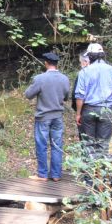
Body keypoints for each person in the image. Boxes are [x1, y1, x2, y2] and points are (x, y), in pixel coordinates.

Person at [25, 52, 71, 181]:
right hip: (58, 117)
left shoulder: (40, 78)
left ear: (46, 63)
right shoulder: (65, 78)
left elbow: (28, 94)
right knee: (57, 145)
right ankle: (56, 175)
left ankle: (42, 175)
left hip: (43, 117)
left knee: (42, 145)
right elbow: (66, 97)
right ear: (57, 64)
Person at [74, 43, 112, 159]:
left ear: (90, 56)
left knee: (88, 144)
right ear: (102, 55)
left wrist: (78, 113)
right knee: (103, 144)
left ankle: (88, 175)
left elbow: (80, 95)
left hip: (88, 110)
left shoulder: (84, 72)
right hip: (106, 110)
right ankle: (100, 173)